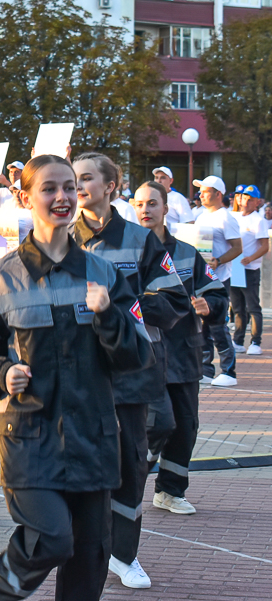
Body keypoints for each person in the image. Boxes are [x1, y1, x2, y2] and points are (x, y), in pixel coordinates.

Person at [0, 154, 153, 601]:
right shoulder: (2, 275)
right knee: (52, 539)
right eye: (49, 188)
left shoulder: (105, 275)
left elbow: (138, 355)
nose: (63, 196)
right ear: (25, 197)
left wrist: (108, 315)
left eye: (69, 187)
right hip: (30, 435)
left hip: (94, 435)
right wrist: (2, 371)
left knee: (90, 558)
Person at [71, 152, 190, 590]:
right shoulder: (57, 238)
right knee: (82, 463)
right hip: (77, 374)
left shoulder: (141, 241)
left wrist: (122, 303)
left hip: (131, 372)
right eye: (72, 179)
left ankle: (124, 555)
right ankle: (86, 548)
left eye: (86, 178)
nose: (77, 186)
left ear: (110, 186)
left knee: (130, 465)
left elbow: (175, 302)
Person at [134, 181, 228, 516]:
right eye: (140, 203)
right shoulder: (125, 252)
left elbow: (217, 293)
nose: (146, 209)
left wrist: (209, 305)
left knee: (185, 424)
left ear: (165, 208)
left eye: (153, 203)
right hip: (142, 354)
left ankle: (170, 490)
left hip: (184, 351)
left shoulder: (187, 253)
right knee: (152, 424)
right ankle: (126, 488)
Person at [193, 175, 241, 387]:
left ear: (218, 194)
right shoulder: (201, 216)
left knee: (218, 326)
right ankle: (206, 370)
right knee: (202, 325)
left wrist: (219, 261)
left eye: (205, 190)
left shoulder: (226, 217)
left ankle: (229, 371)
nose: (201, 194)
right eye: (200, 191)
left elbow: (238, 248)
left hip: (220, 280)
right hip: (202, 279)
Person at [229, 185, 269, 355]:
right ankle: (238, 340)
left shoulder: (258, 220)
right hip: (235, 267)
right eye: (243, 197)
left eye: (250, 199)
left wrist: (251, 258)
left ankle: (255, 341)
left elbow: (265, 246)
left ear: (257, 202)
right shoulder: (233, 217)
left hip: (250, 268)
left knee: (252, 306)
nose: (245, 201)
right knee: (237, 306)